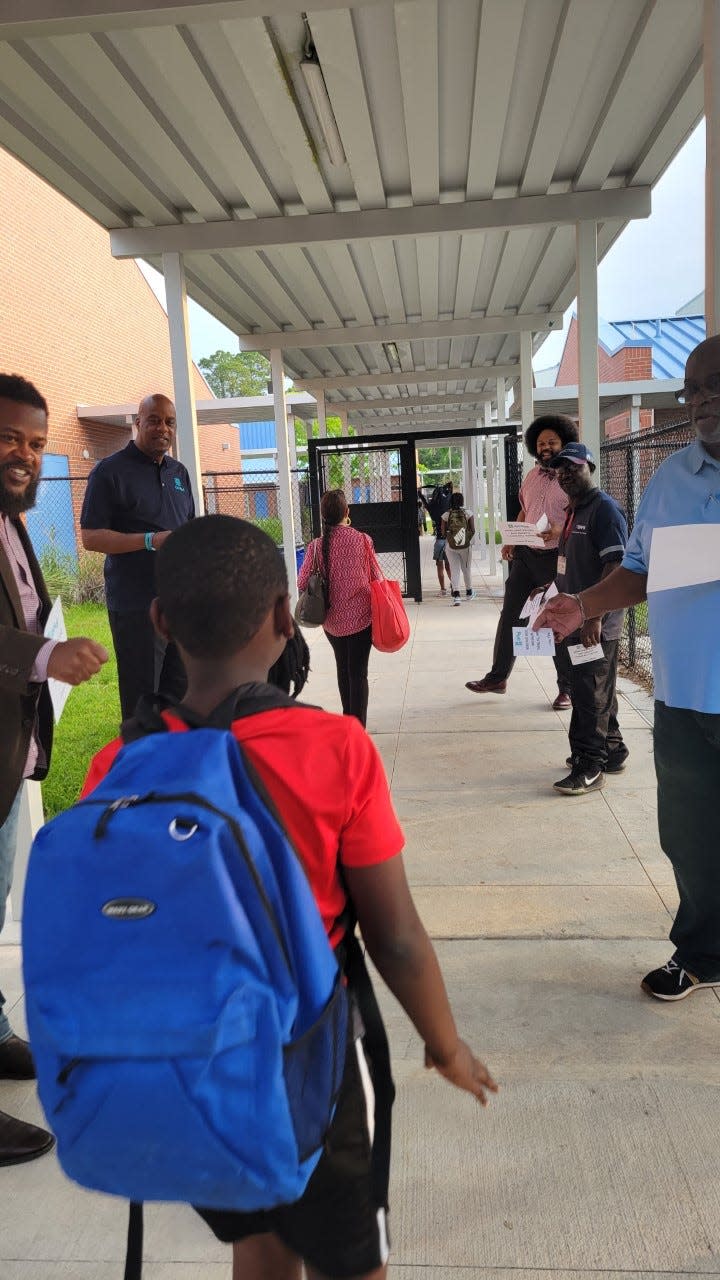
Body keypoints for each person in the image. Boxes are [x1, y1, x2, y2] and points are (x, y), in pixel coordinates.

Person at [81, 514, 498, 1280]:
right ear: (283, 618)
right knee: (350, 1260)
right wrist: (445, 1045)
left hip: (196, 1062)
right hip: (319, 1053)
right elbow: (394, 934)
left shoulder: (117, 765)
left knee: (261, 1243)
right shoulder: (336, 748)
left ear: (160, 620)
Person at [536, 333, 720, 1000]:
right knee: (691, 840)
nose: (702, 401)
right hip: (683, 700)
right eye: (694, 389)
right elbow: (637, 573)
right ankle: (701, 952)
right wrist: (577, 604)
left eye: (715, 385)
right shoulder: (671, 480)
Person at [0, 373, 108, 1164]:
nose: (25, 456)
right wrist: (44, 655)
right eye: (9, 438)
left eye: (37, 444)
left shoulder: (11, 521)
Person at [80, 393, 194, 722]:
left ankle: (173, 767)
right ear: (137, 423)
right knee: (143, 700)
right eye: (154, 420)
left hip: (179, 604)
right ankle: (143, 769)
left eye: (170, 422)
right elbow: (91, 537)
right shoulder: (109, 472)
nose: (163, 428)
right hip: (136, 606)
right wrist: (149, 540)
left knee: (180, 694)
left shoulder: (179, 472)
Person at [465, 414, 577, 707]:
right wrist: (511, 541)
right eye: (541, 443)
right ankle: (498, 677)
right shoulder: (532, 476)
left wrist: (557, 530)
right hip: (526, 557)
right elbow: (525, 512)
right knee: (511, 614)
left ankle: (567, 688)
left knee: (555, 618)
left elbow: (580, 516)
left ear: (564, 442)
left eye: (552, 441)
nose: (546, 447)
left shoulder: (572, 474)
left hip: (556, 557)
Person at [542, 443, 628, 796]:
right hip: (575, 620)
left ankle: (589, 764)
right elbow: (569, 566)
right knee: (595, 687)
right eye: (560, 470)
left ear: (589, 466)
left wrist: (594, 615)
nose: (565, 475)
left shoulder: (605, 510)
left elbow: (616, 565)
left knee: (588, 693)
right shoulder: (575, 511)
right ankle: (612, 748)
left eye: (573, 468)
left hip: (595, 625)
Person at [297, 489, 378, 727]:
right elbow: (374, 576)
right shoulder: (363, 540)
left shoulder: (315, 546)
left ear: (323, 515)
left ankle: (348, 725)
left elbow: (302, 583)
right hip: (362, 619)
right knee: (358, 673)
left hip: (332, 623)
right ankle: (359, 729)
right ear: (347, 513)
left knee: (343, 670)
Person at [441, 491, 475, 605]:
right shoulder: (468, 513)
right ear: (462, 501)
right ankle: (469, 593)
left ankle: (456, 596)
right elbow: (473, 530)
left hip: (450, 546)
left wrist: (452, 539)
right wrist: (464, 539)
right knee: (466, 569)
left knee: (454, 570)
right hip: (465, 546)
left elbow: (443, 532)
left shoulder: (446, 514)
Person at [425, 482, 454, 594]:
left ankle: (443, 589)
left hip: (439, 541)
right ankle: (453, 584)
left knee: (439, 565)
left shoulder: (432, 509)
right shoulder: (449, 509)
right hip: (448, 540)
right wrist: (447, 487)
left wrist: (419, 492)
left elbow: (423, 500)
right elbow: (450, 491)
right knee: (448, 565)